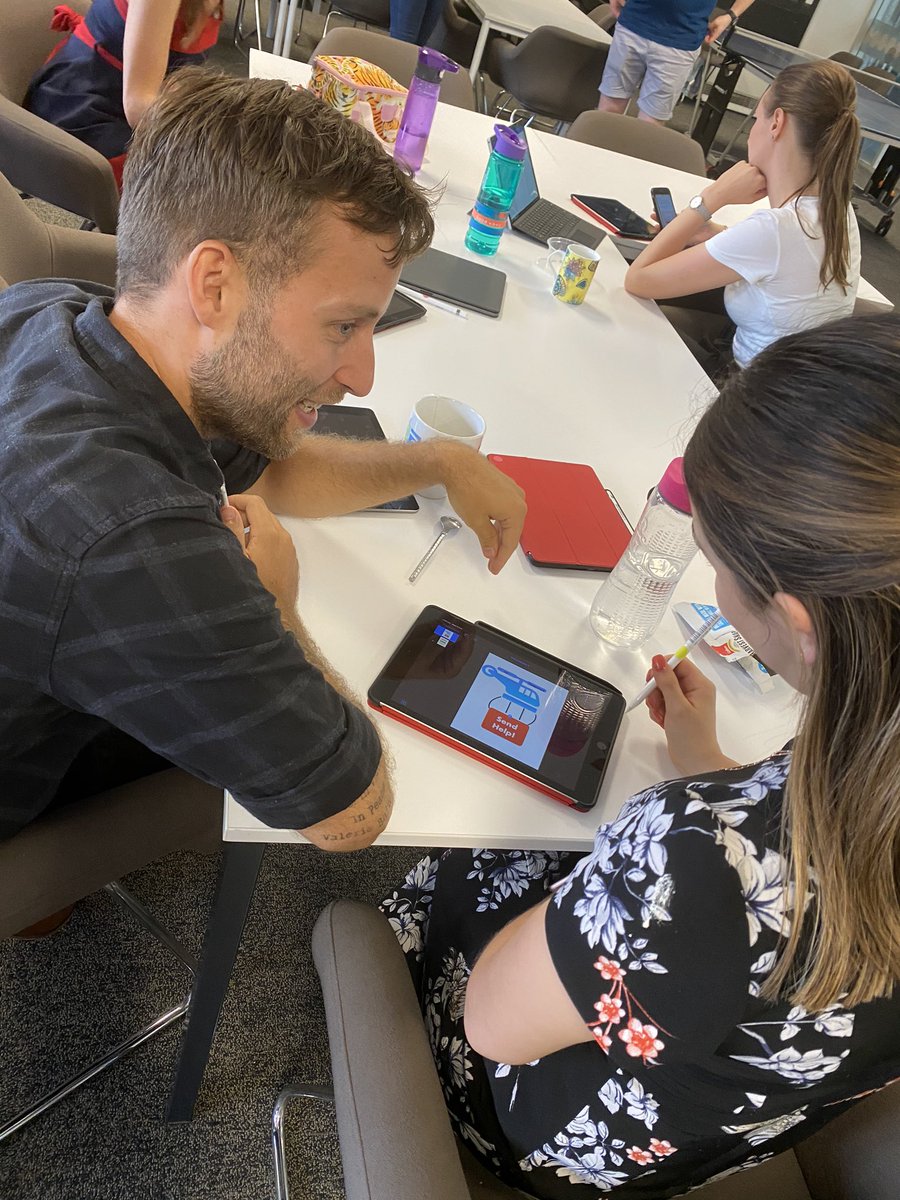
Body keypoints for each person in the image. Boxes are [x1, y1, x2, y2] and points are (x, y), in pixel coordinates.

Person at [382, 313, 900, 1198]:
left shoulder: (701, 859)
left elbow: (494, 1024)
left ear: (798, 620)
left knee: (497, 837)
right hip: (717, 1130)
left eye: (715, 562)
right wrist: (714, 771)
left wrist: (636, 854)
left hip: (556, 1130)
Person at [0, 70, 525, 853]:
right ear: (215, 284)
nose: (363, 376)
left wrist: (439, 461)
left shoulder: (56, 313)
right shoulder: (126, 540)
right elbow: (352, 817)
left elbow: (271, 471)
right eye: (343, 326)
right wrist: (279, 605)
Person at [624, 59, 861, 376]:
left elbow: (638, 281)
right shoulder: (837, 210)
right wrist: (716, 233)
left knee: (624, 324)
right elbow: (782, 262)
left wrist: (712, 197)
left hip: (744, 388)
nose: (751, 134)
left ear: (776, 123)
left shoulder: (775, 229)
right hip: (794, 388)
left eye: (756, 119)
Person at [25, 0, 223, 188]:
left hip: (131, 106)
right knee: (212, 182)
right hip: (83, 111)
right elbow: (138, 105)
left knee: (224, 168)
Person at [598, 0, 755, 125]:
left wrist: (730, 15)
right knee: (608, 109)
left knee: (650, 123)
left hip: (680, 41)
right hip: (633, 25)